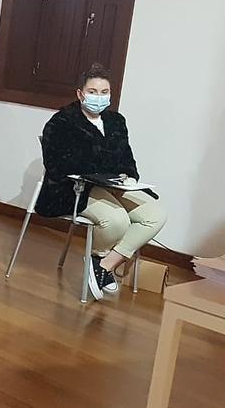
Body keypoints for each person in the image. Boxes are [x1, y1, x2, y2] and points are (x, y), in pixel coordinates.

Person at [37, 63, 167, 300]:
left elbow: (126, 158)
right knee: (117, 220)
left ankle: (103, 264)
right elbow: (56, 166)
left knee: (155, 215)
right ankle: (100, 261)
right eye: (93, 92)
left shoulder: (116, 121)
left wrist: (129, 176)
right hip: (72, 188)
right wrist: (98, 171)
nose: (99, 97)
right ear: (80, 93)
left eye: (104, 92)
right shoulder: (61, 122)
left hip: (112, 185)